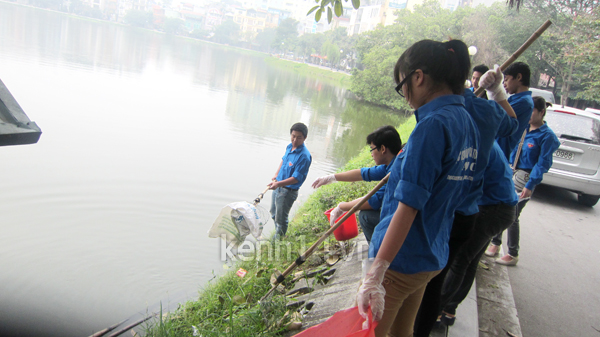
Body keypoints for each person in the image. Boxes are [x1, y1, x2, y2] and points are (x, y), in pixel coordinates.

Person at [356, 39, 478, 337]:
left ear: (418, 77)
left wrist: (376, 273)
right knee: (403, 332)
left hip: (401, 261)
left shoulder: (432, 126)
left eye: (403, 87)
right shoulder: (466, 121)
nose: (405, 96)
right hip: (431, 254)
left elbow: (408, 207)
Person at [412, 61, 519, 336]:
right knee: (448, 271)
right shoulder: (485, 111)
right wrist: (497, 94)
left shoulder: (440, 116)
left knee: (435, 275)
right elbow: (513, 124)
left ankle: (432, 317)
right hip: (469, 211)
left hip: (452, 211)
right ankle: (440, 313)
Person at [437, 142, 518, 326]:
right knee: (470, 261)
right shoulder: (484, 138)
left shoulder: (477, 146)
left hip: (493, 209)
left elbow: (459, 185)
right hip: (501, 207)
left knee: (460, 259)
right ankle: (448, 309)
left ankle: (435, 309)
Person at [486, 97, 560, 265]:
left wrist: (531, 184)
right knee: (501, 205)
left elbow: (543, 163)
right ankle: (495, 243)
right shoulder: (523, 128)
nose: (529, 114)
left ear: (541, 112)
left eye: (533, 111)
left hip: (525, 176)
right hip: (511, 170)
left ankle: (512, 253)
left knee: (513, 212)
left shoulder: (546, 136)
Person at [311, 125, 402, 243]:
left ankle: (379, 253)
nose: (371, 154)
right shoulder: (394, 162)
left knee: (366, 216)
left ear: (383, 149)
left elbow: (373, 201)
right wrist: (332, 177)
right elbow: (363, 174)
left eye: (372, 149)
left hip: (403, 219)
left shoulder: (395, 172)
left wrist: (342, 206)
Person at [268, 123, 312, 239]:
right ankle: (279, 233)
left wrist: (278, 184)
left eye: (299, 137)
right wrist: (276, 175)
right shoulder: (289, 147)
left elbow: (296, 178)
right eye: (293, 136)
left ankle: (278, 241)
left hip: (288, 192)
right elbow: (283, 160)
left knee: (281, 219)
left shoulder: (304, 156)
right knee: (273, 213)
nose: (295, 140)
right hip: (278, 186)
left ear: (305, 138)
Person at [496, 62, 534, 159]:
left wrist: (495, 92)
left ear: (518, 77)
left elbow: (498, 116)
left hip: (500, 149)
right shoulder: (517, 100)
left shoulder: (524, 102)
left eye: (506, 80)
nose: (504, 84)